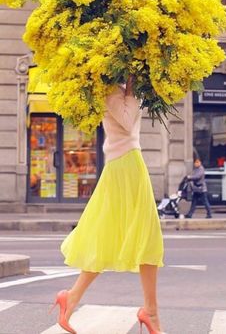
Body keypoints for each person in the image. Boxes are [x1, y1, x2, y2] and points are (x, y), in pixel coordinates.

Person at [49, 76, 164, 334]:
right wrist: (133, 86)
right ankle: (151, 312)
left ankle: (72, 297)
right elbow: (125, 121)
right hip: (126, 165)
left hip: (127, 164)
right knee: (146, 236)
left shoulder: (119, 89)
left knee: (112, 236)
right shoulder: (109, 88)